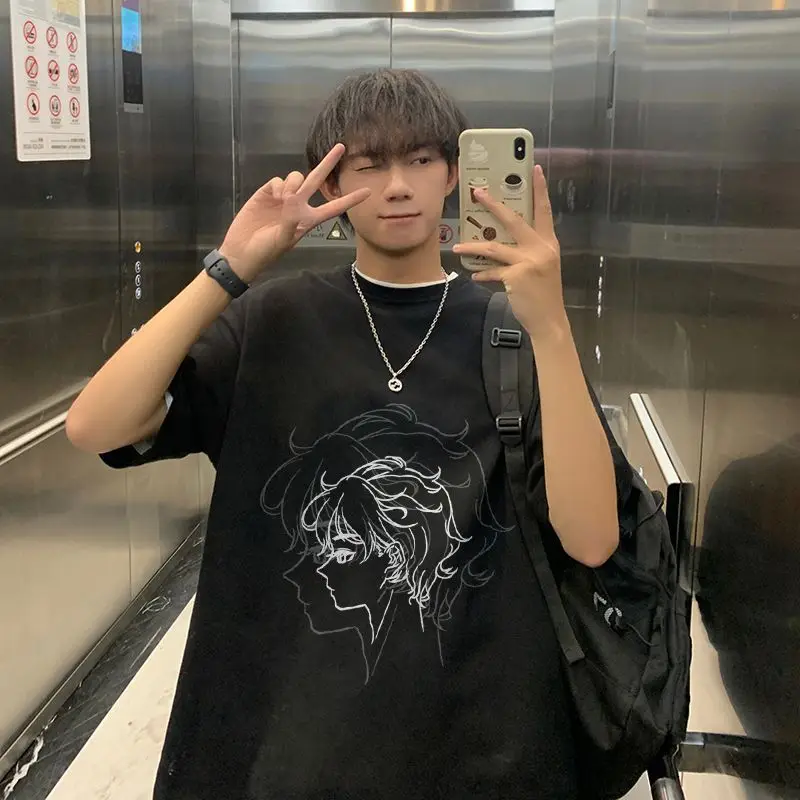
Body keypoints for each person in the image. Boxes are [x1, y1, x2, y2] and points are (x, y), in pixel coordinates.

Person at [66, 69, 631, 799]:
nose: (397, 187)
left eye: (420, 160)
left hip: (475, 745)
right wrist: (228, 270)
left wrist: (550, 324)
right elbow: (95, 425)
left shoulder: (515, 332)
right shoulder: (271, 323)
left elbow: (592, 541)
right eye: (369, 165)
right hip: (281, 743)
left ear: (454, 174)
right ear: (331, 185)